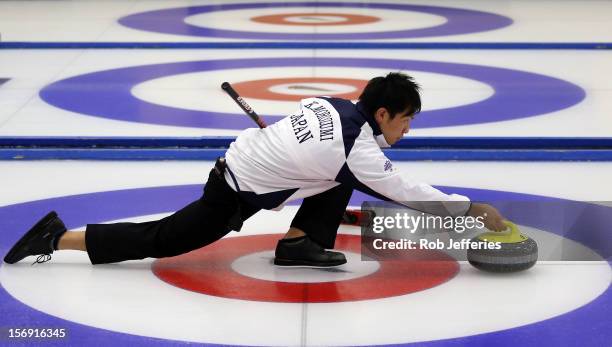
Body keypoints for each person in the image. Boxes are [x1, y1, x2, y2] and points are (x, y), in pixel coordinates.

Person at [3, 72, 506, 267]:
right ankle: (56, 237)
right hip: (234, 190)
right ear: (382, 114)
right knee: (166, 240)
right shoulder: (358, 150)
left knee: (335, 180)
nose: (408, 129)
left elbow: (330, 153)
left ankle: (297, 244)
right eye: (406, 120)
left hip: (250, 163)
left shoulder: (334, 104)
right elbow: (401, 188)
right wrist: (471, 208)